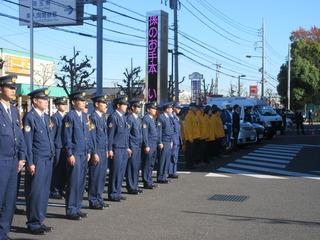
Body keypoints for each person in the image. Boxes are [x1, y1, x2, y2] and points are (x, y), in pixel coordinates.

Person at [23, 88, 54, 235]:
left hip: (47, 158)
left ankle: (40, 220)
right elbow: (28, 142)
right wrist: (30, 162)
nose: (46, 102)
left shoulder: (46, 117)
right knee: (35, 192)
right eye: (43, 99)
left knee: (43, 192)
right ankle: (33, 223)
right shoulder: (30, 117)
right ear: (35, 101)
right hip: (37, 159)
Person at [0, 75, 26, 240]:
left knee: (9, 201)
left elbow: (20, 136)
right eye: (10, 87)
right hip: (1, 160)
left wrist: (22, 157)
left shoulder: (15, 111)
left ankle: (3, 233)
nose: (13, 90)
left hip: (14, 160)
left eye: (14, 88)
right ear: (0, 89)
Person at [63, 91, 92, 220]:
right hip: (75, 153)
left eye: (84, 100)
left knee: (81, 182)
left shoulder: (84, 116)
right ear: (74, 102)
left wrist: (89, 151)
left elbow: (87, 135)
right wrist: (69, 153)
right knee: (73, 182)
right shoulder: (70, 116)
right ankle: (71, 209)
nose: (83, 102)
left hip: (84, 153)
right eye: (80, 100)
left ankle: (77, 207)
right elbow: (67, 136)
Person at [88, 95, 110, 209]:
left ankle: (99, 198)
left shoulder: (102, 117)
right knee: (95, 176)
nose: (106, 105)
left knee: (101, 176)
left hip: (103, 150)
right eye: (103, 103)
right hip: (96, 150)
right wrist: (94, 152)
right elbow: (92, 137)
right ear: (96, 104)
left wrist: (106, 149)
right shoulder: (93, 118)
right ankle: (93, 200)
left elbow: (105, 136)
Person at [107, 96, 130, 202]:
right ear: (118, 106)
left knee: (121, 172)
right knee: (115, 171)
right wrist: (110, 149)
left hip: (123, 148)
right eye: (124, 104)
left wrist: (127, 147)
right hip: (116, 148)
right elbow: (110, 135)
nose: (126, 107)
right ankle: (112, 193)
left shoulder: (124, 117)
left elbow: (125, 134)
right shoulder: (113, 117)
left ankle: (118, 192)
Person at [50, 97, 68, 200]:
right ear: (57, 106)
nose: (64, 106)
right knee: (56, 169)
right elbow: (53, 135)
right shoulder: (55, 117)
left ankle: (61, 188)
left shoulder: (66, 116)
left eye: (65, 104)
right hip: (57, 146)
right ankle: (54, 190)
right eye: (62, 104)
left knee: (63, 170)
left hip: (64, 147)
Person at [126, 100, 143, 194]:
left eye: (140, 107)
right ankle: (131, 186)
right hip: (132, 145)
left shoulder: (138, 119)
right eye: (137, 107)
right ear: (133, 108)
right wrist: (128, 146)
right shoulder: (130, 119)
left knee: (136, 166)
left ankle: (135, 185)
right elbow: (127, 134)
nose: (139, 109)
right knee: (131, 166)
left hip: (138, 145)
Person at [142, 102, 159, 189]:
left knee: (151, 164)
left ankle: (149, 180)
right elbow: (145, 133)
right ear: (148, 109)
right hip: (149, 144)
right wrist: (146, 145)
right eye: (153, 109)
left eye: (155, 109)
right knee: (147, 164)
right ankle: (146, 181)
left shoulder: (152, 118)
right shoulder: (146, 119)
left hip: (154, 144)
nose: (155, 110)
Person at [157, 103, 174, 183]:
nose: (172, 110)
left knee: (167, 159)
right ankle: (160, 177)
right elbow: (159, 131)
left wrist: (171, 141)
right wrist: (160, 142)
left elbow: (171, 130)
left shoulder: (169, 117)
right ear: (166, 109)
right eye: (170, 108)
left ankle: (164, 176)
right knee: (162, 160)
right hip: (163, 141)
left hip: (168, 141)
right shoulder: (161, 117)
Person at [182, 103, 201, 169]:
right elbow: (188, 128)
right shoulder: (189, 116)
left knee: (193, 152)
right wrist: (190, 138)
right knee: (190, 153)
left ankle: (191, 165)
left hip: (195, 137)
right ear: (191, 108)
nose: (196, 109)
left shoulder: (194, 115)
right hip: (191, 138)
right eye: (195, 108)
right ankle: (188, 165)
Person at [169, 102, 182, 178]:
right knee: (173, 156)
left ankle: (174, 171)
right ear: (174, 108)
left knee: (175, 156)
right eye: (178, 108)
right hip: (174, 139)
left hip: (177, 139)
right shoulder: (171, 117)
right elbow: (171, 130)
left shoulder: (176, 117)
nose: (179, 109)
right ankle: (171, 172)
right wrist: (172, 140)